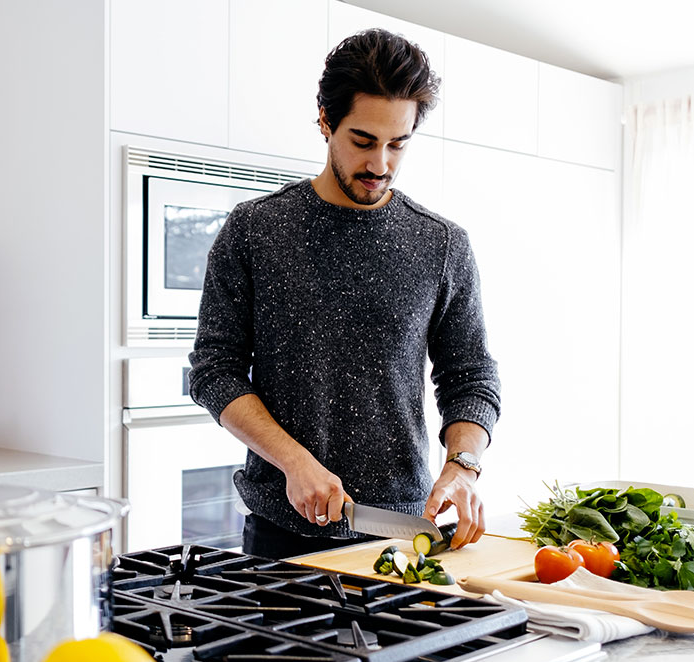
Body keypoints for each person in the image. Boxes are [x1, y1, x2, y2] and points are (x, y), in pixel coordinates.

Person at [187, 28, 500, 560]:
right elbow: (214, 371)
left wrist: (462, 465)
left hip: (404, 531)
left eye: (397, 143)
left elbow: (471, 375)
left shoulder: (442, 244)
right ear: (326, 121)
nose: (380, 164)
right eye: (363, 141)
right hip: (280, 537)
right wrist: (293, 462)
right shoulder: (255, 230)